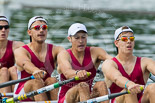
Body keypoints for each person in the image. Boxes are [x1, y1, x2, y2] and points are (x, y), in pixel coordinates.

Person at [57, 23, 112, 103]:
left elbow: (114, 61)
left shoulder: (96, 52)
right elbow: (67, 72)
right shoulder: (64, 54)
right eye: (76, 38)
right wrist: (77, 73)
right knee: (83, 85)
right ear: (69, 39)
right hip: (67, 98)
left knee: (101, 84)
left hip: (86, 97)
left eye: (83, 37)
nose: (81, 41)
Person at [13, 16, 65, 101]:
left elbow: (65, 60)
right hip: (23, 94)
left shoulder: (56, 49)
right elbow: (25, 63)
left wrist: (73, 70)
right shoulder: (21, 51)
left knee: (52, 80)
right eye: (37, 28)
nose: (41, 30)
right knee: (37, 82)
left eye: (44, 27)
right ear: (29, 32)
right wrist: (34, 70)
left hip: (44, 89)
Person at [102, 26, 155, 103]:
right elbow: (116, 77)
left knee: (153, 87)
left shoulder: (145, 62)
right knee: (129, 91)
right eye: (124, 39)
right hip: (119, 100)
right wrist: (129, 84)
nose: (129, 41)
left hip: (140, 100)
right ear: (116, 43)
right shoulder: (109, 63)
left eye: (131, 39)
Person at [0, 16, 25, 93]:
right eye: (0, 27)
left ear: (9, 30)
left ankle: (18, 97)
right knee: (4, 71)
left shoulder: (17, 45)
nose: (3, 30)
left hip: (9, 78)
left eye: (6, 27)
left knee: (14, 69)